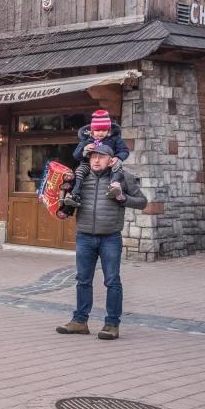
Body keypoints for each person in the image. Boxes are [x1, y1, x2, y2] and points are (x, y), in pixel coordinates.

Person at [56, 144, 147, 340]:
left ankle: (112, 325)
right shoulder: (80, 178)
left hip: (110, 237)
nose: (96, 160)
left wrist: (122, 198)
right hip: (84, 236)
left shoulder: (123, 177)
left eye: (101, 156)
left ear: (111, 159)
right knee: (82, 280)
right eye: (93, 157)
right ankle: (80, 321)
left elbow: (142, 202)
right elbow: (66, 199)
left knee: (112, 281)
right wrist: (64, 208)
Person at [62, 110, 131, 210]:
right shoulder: (86, 141)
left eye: (104, 130)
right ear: (92, 131)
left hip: (109, 164)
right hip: (88, 164)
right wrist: (84, 151)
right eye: (97, 130)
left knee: (117, 167)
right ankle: (75, 195)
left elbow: (124, 151)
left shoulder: (115, 139)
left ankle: (114, 187)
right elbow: (76, 155)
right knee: (79, 171)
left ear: (109, 131)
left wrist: (118, 158)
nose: (100, 133)